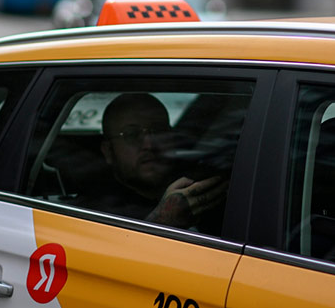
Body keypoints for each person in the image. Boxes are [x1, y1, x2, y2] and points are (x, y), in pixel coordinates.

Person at [85, 93, 228, 229]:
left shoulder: (205, 188)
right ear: (108, 151)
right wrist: (162, 221)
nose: (149, 145)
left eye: (159, 130)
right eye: (131, 134)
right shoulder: (89, 215)